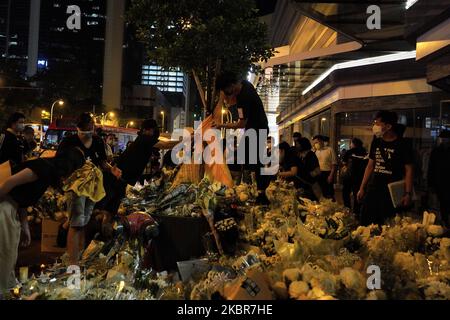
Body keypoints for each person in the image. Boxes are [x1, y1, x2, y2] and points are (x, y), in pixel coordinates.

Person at [0, 148, 85, 296]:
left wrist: (24, 225)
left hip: (10, 206)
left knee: (10, 250)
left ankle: (7, 287)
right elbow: (8, 184)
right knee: (5, 252)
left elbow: (22, 197)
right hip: (4, 204)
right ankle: (4, 290)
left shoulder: (47, 172)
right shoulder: (43, 168)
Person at [57, 113, 121, 264]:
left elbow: (103, 163)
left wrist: (112, 170)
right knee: (76, 223)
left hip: (93, 188)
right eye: (86, 127)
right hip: (76, 188)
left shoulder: (98, 141)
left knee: (84, 223)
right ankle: (73, 263)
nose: (89, 130)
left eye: (91, 126)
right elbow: (59, 164)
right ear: (79, 128)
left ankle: (79, 258)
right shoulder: (68, 142)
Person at [214, 72, 270, 204]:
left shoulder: (243, 98)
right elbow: (229, 101)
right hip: (257, 127)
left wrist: (221, 125)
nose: (226, 94)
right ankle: (256, 189)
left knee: (254, 162)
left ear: (231, 85)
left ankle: (259, 192)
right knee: (250, 160)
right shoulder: (245, 84)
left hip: (256, 129)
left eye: (226, 91)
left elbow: (241, 124)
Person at [98, 120, 161, 235]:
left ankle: (103, 231)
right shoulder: (144, 139)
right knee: (108, 209)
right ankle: (102, 232)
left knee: (109, 208)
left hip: (118, 178)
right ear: (148, 130)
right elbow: (162, 144)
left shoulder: (141, 139)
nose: (154, 132)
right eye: (153, 130)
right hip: (117, 178)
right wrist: (184, 141)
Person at [357, 111, 414, 226]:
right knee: (366, 219)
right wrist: (362, 187)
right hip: (374, 187)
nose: (375, 127)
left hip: (391, 190)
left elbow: (409, 170)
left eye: (378, 124)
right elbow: (370, 166)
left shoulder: (403, 144)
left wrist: (408, 193)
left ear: (388, 126)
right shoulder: (376, 142)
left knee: (387, 222)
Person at [428, 130, 450, 227]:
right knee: (442, 203)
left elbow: (431, 168)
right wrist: (431, 184)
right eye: (443, 138)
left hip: (442, 180)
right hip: (440, 182)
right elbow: (431, 168)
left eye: (446, 138)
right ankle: (445, 222)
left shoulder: (436, 151)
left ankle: (446, 222)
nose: (444, 140)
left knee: (444, 203)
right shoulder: (436, 151)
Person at [341, 138, 368, 218]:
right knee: (357, 193)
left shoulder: (350, 152)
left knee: (346, 192)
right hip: (360, 177)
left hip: (349, 176)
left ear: (353, 144)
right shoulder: (365, 152)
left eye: (351, 143)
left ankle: (347, 208)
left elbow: (344, 162)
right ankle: (357, 212)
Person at [313, 135, 337, 199]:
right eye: (314, 143)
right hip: (319, 174)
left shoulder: (330, 150)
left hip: (327, 173)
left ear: (321, 141)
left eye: (316, 142)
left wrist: (331, 175)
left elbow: (334, 164)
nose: (315, 144)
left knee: (329, 193)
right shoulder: (315, 151)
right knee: (320, 193)